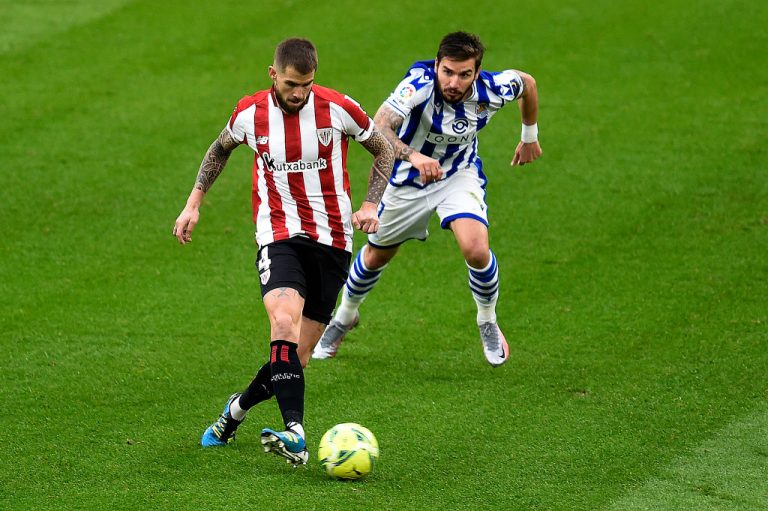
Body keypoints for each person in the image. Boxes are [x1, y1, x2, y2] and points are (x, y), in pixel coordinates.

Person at [173, 37, 393, 465]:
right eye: (292, 83)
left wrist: (370, 204)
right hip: (278, 232)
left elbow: (381, 148)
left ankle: (233, 413)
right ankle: (297, 434)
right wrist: (193, 202)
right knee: (283, 321)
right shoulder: (250, 113)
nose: (299, 93)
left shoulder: (338, 108)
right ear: (273, 75)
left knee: (299, 355)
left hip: (332, 240)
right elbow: (220, 148)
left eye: (307, 84)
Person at [312, 31, 542, 367]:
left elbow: (528, 83)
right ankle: (344, 317)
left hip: (458, 175)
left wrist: (529, 135)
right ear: (437, 65)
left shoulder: (493, 89)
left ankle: (487, 321)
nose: (453, 81)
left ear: (476, 73)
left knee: (476, 248)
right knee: (377, 254)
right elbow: (380, 126)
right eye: (447, 71)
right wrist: (414, 157)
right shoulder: (418, 82)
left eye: (464, 74)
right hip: (407, 180)